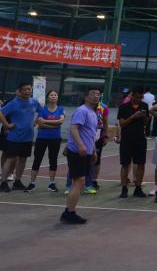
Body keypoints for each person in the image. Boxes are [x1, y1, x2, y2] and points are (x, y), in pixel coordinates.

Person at [61, 87, 101, 224]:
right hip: (78, 152)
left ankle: (69, 211)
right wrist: (81, 145)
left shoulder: (93, 113)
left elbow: (90, 134)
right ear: (86, 97)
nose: (96, 96)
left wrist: (93, 150)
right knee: (78, 182)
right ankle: (69, 213)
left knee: (80, 182)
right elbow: (74, 128)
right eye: (92, 93)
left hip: (86, 152)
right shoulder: (82, 110)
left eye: (98, 94)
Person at [0, 82, 40, 193]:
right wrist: (7, 125)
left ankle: (17, 181)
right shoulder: (14, 103)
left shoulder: (34, 102)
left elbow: (42, 111)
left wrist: (36, 122)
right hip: (15, 137)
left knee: (23, 159)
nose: (27, 91)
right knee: (10, 159)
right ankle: (3, 182)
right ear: (20, 91)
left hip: (28, 137)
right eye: (25, 89)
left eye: (29, 89)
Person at [116, 88, 150, 198]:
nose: (139, 99)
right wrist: (133, 116)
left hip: (140, 139)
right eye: (137, 97)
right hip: (126, 139)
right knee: (125, 164)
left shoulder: (144, 105)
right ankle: (124, 188)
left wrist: (145, 117)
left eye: (141, 97)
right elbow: (122, 124)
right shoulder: (123, 107)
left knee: (141, 163)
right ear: (132, 96)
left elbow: (146, 123)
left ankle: (138, 188)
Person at [29, 90, 65, 192]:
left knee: (53, 159)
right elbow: (40, 123)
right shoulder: (42, 109)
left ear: (57, 98)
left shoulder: (61, 108)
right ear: (48, 97)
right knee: (37, 159)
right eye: (51, 95)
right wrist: (54, 125)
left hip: (55, 138)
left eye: (55, 95)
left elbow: (61, 121)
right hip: (42, 138)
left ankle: (51, 183)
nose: (53, 96)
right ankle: (32, 183)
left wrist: (45, 122)